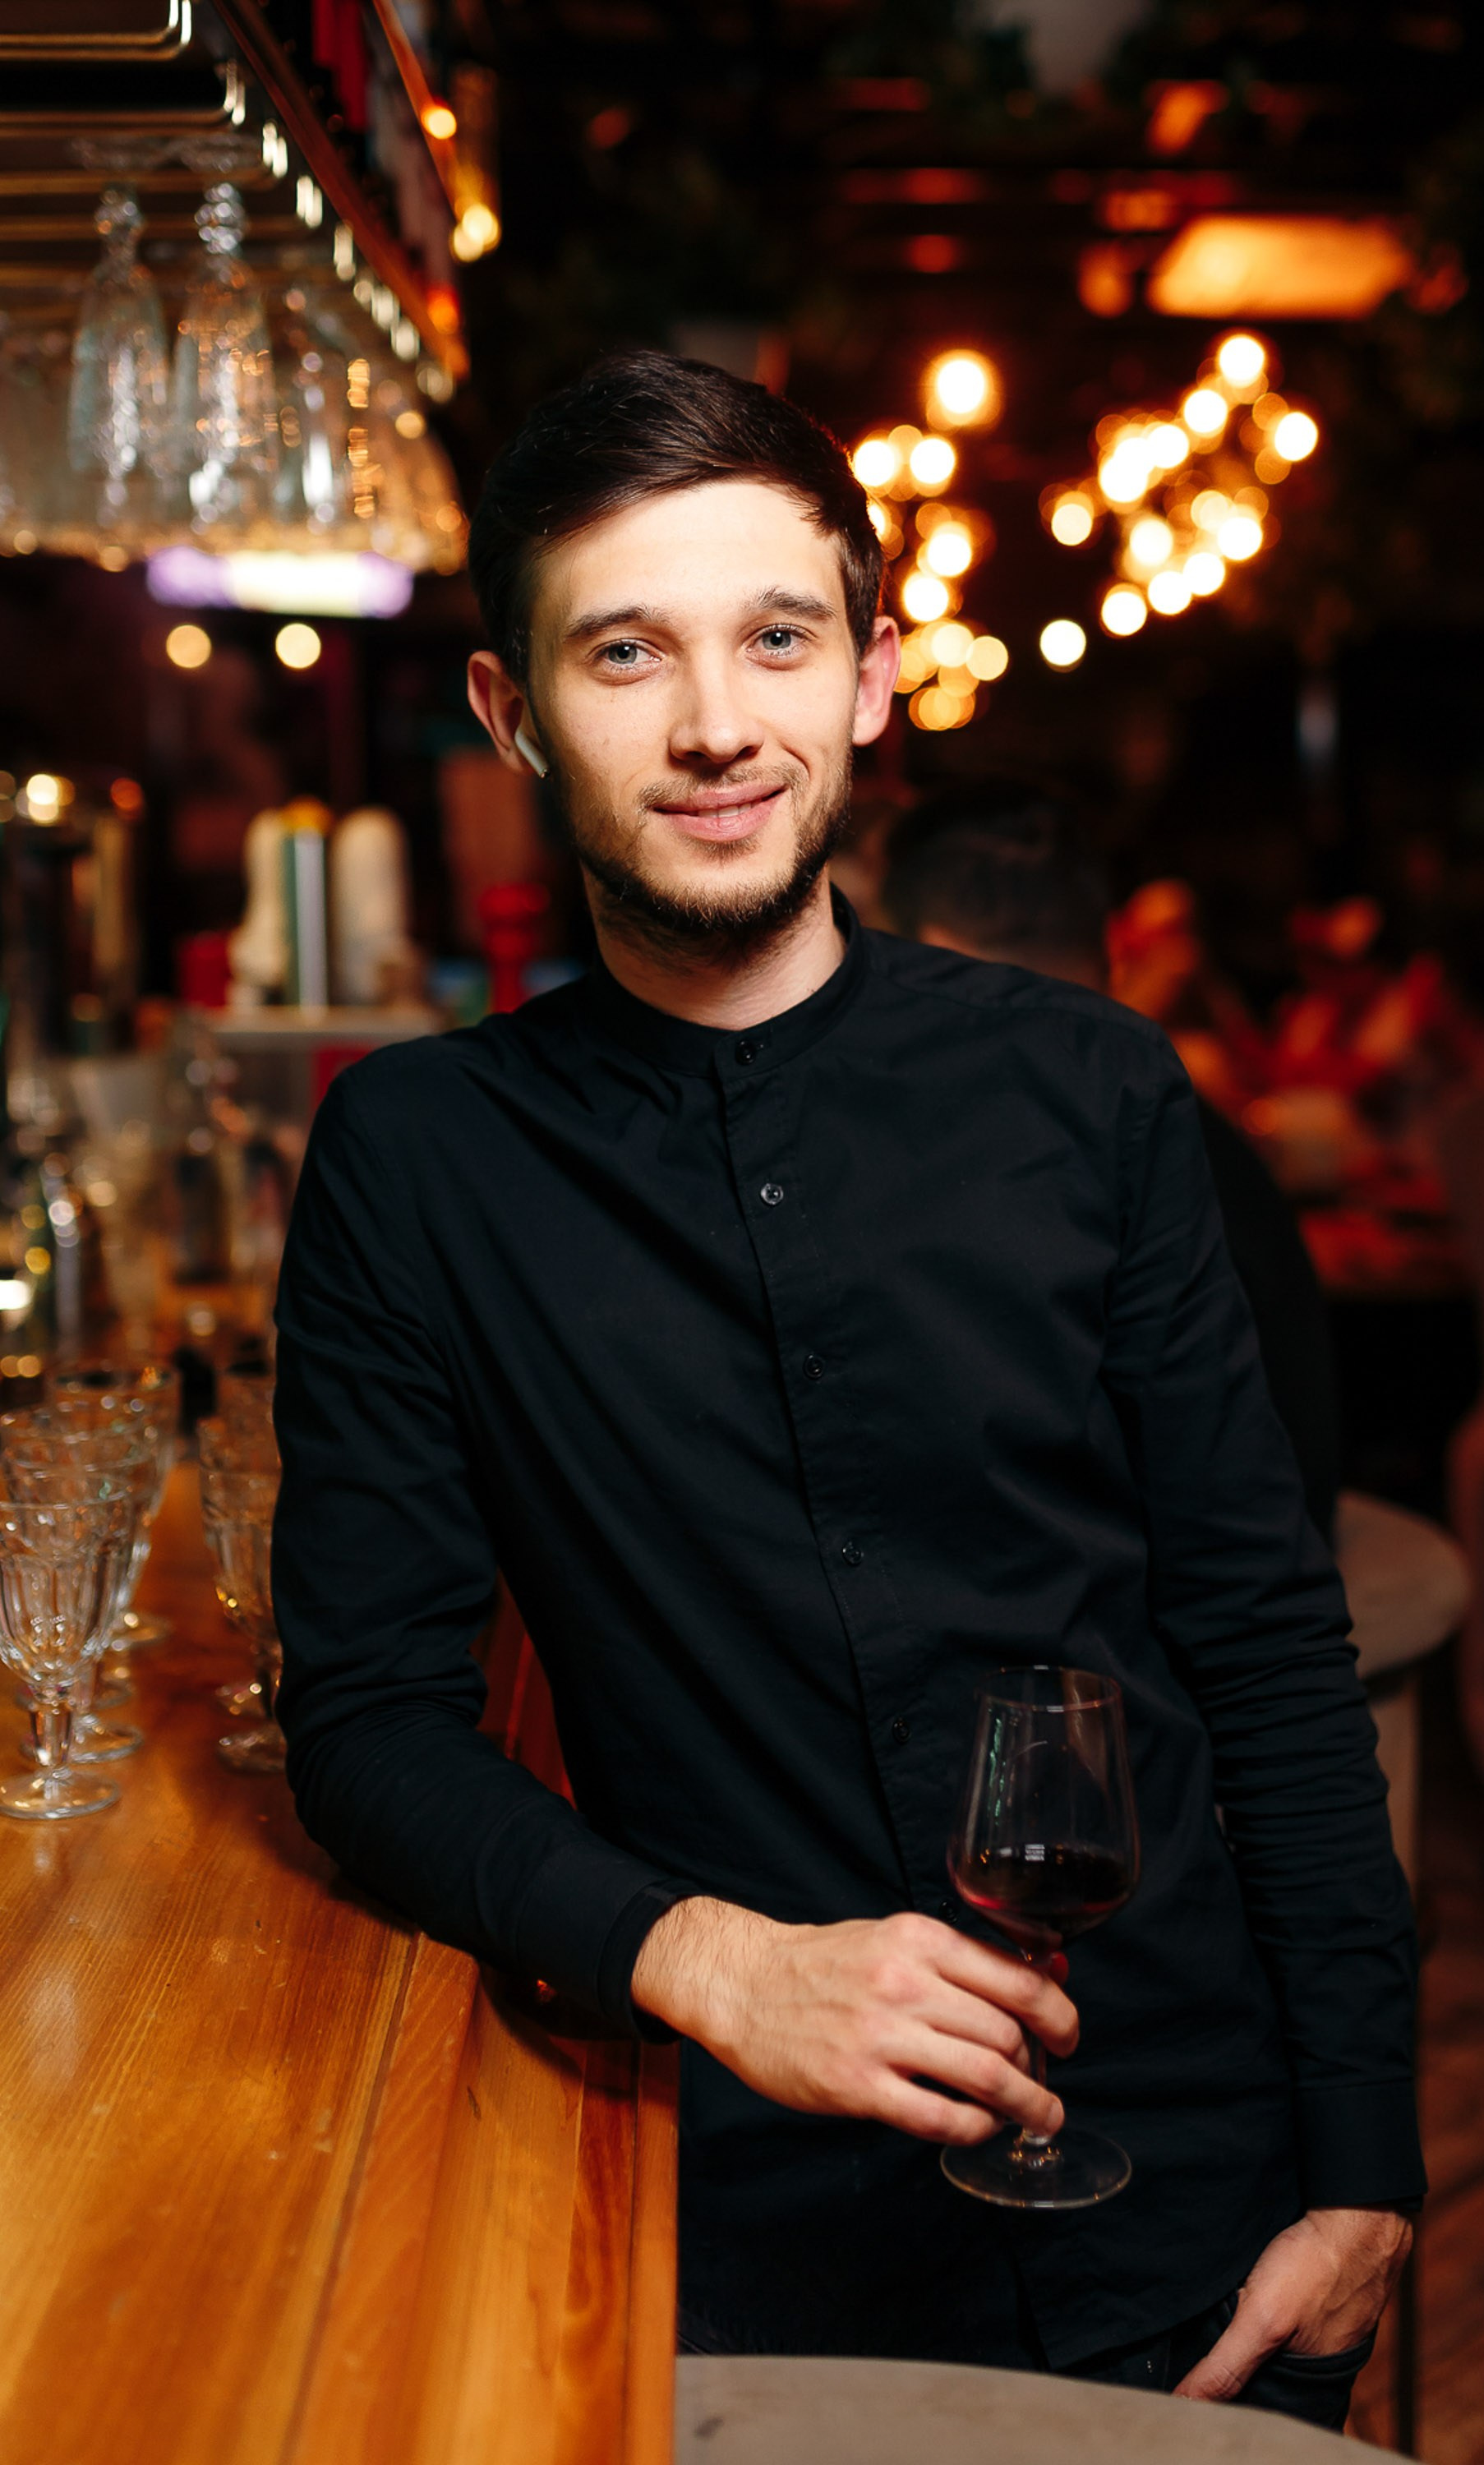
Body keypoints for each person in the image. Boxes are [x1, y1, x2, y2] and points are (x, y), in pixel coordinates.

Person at [272, 350, 1421, 2430]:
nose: (714, 722)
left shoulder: (1091, 1091)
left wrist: (1359, 2165)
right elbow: (364, 1724)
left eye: (774, 637)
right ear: (511, 714)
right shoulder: (414, 1157)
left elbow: (1263, 1645)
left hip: (1184, 2175)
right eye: (626, 651)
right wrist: (710, 1957)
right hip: (732, 2215)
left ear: (872, 677)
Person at [881, 787, 1340, 1542]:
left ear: (918, 947)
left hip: (1153, 1628)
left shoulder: (996, 1148)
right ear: (1106, 951)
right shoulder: (1189, 1131)